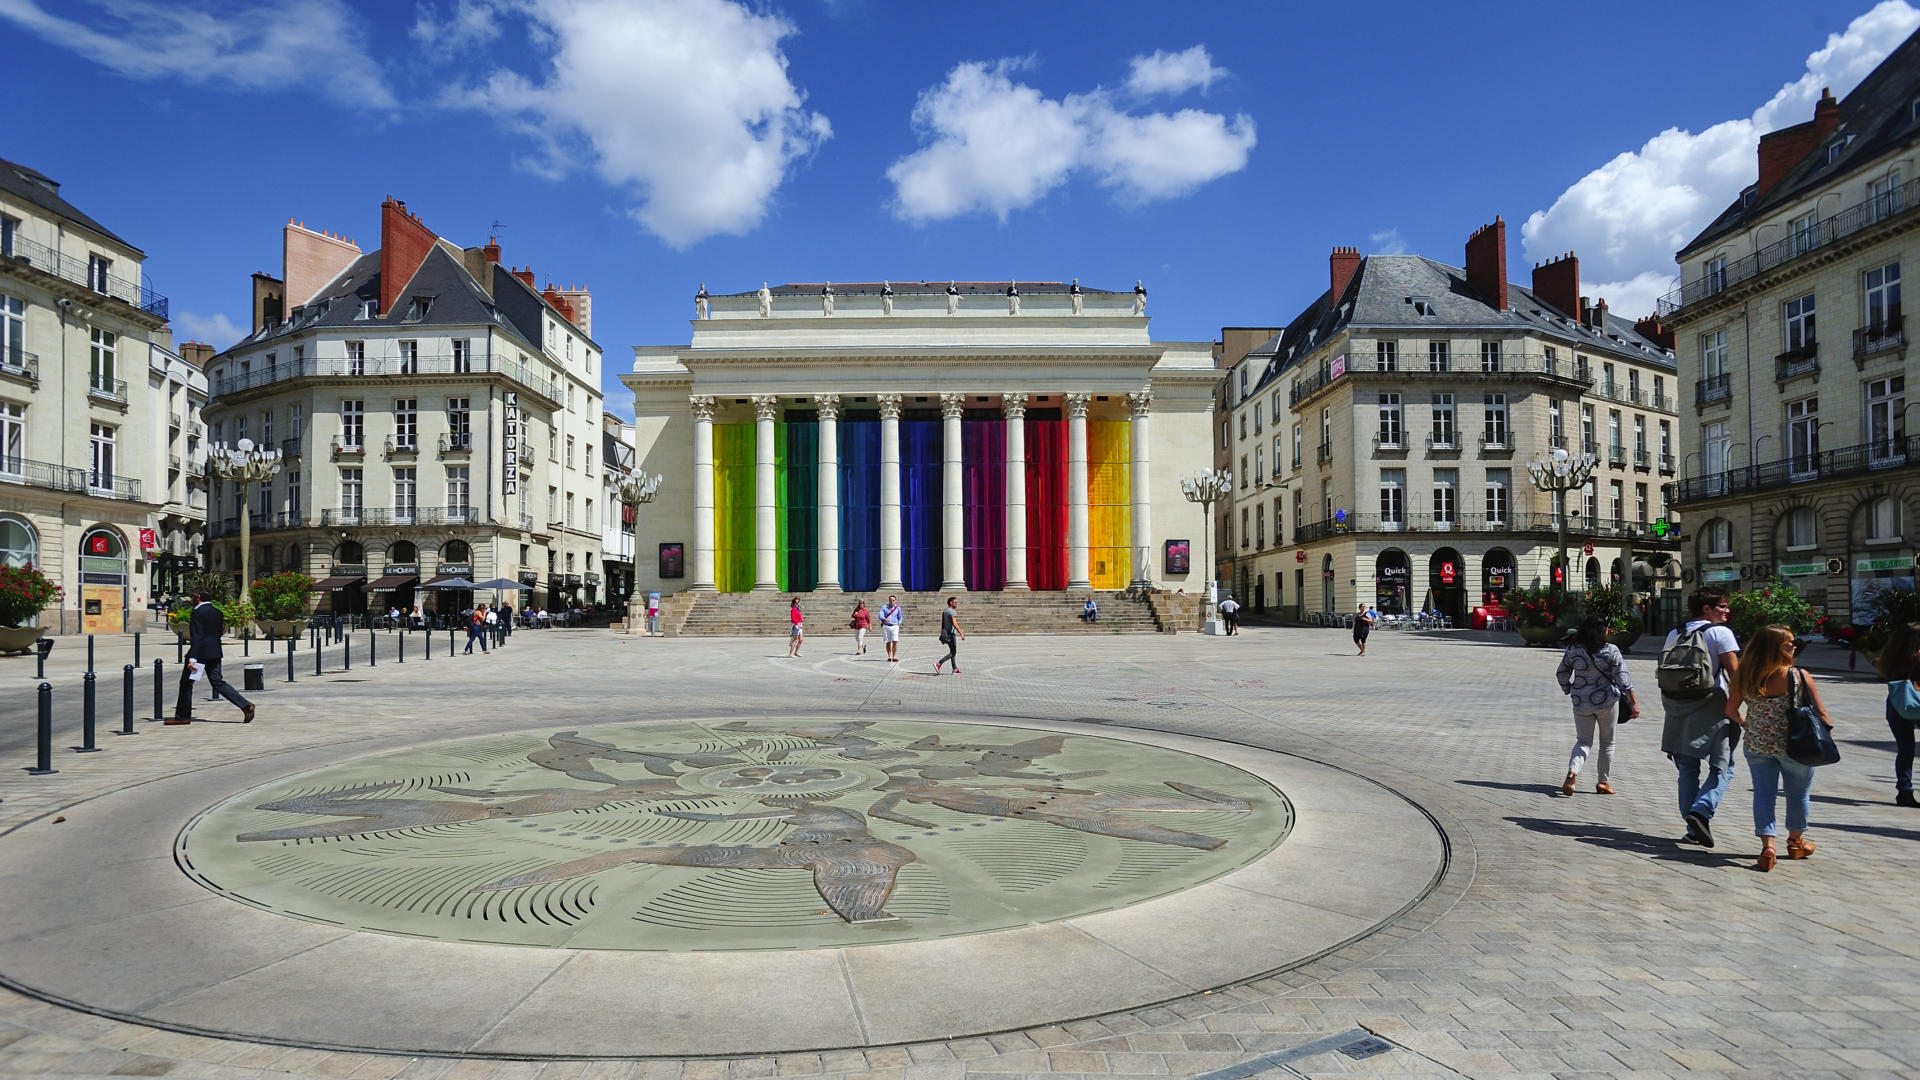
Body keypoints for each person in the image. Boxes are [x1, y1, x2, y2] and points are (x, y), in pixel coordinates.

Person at [1727, 625, 1831, 871]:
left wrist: (1748, 725)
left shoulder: (1745, 675)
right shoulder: (1798, 675)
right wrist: (1825, 736)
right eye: (1790, 643)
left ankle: (1768, 847)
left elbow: (1730, 710)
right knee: (1798, 794)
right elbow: (1822, 714)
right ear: (1776, 647)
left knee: (1764, 794)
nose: (1794, 646)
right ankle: (1795, 843)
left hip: (1758, 745)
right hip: (1796, 747)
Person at [1660, 588, 1741, 849]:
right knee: (1723, 765)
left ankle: (1692, 828)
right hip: (1713, 707)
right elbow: (1736, 675)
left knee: (1687, 768)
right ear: (1707, 609)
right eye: (1723, 606)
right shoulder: (1720, 633)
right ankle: (1701, 810)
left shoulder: (1675, 632)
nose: (1727, 611)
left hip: (1678, 706)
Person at [1556, 615, 1638, 796]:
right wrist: (1633, 702)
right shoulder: (1611, 650)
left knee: (1583, 741)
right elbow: (1623, 678)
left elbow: (1561, 673)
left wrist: (1569, 689)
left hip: (1581, 703)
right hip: (1607, 702)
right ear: (1602, 632)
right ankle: (1603, 783)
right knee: (1608, 742)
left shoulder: (1573, 650)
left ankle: (1572, 772)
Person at [170, 589, 254, 725]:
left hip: (200, 654)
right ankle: (245, 706)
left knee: (186, 684)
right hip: (214, 652)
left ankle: (183, 717)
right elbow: (218, 632)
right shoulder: (217, 612)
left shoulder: (197, 612)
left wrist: (192, 659)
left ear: (197, 597)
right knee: (218, 682)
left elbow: (197, 636)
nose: (191, 600)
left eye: (192, 597)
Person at [1877, 621, 1920, 807]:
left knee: (1906, 749)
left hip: (1897, 704)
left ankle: (1904, 790)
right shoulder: (1917, 658)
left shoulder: (1891, 657)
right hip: (1917, 702)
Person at [934, 596, 965, 675]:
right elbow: (954, 623)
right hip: (951, 635)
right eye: (955, 602)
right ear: (951, 603)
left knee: (952, 651)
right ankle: (939, 663)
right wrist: (961, 633)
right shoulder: (952, 611)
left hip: (946, 634)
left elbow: (943, 624)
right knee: (953, 652)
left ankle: (954, 668)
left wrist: (943, 637)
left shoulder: (945, 611)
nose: (957, 604)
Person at [880, 594, 904, 663]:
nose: (892, 601)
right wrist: (884, 618)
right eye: (890, 600)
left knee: (895, 641)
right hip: (886, 626)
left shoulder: (898, 608)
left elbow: (900, 617)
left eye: (893, 600)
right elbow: (880, 615)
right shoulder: (884, 607)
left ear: (895, 601)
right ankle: (889, 656)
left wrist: (899, 623)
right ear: (889, 600)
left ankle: (894, 656)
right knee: (888, 641)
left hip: (895, 626)